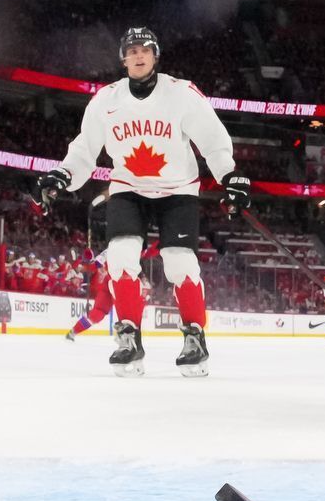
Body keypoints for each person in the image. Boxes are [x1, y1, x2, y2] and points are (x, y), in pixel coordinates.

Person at [36, 28, 248, 377]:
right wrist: (62, 175)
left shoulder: (181, 93)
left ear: (155, 55)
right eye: (131, 50)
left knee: (179, 262)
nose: (138, 55)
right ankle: (129, 338)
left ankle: (195, 338)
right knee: (120, 257)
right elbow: (84, 151)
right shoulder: (106, 100)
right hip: (128, 187)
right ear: (123, 58)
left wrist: (230, 175)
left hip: (177, 188)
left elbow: (212, 140)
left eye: (144, 50)